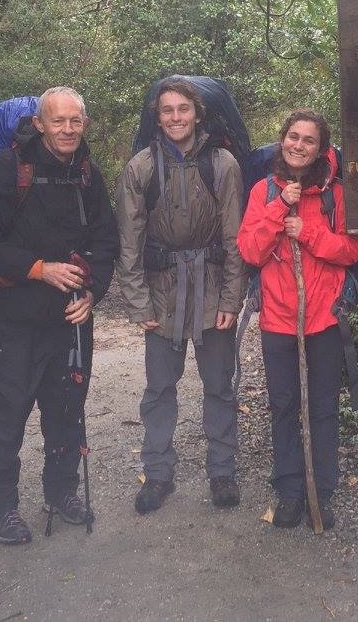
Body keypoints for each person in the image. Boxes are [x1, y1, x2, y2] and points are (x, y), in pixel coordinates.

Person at [0, 86, 118, 545]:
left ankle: (62, 492)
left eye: (76, 121)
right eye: (58, 121)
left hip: (71, 320)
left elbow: (106, 242)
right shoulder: (8, 170)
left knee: (67, 410)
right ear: (40, 124)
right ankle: (0, 507)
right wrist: (37, 269)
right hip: (17, 319)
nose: (68, 129)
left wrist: (93, 291)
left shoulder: (89, 175)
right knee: (7, 413)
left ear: (85, 124)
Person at [117, 78, 245, 513]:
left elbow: (234, 238)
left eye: (183, 109)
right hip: (162, 293)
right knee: (158, 389)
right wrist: (138, 303)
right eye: (167, 110)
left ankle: (222, 471)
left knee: (219, 387)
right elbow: (129, 242)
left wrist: (231, 299)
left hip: (211, 292)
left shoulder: (223, 164)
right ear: (158, 117)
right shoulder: (140, 167)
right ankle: (157, 473)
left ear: (197, 113)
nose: (175, 117)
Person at [237, 109, 358, 530]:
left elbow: (353, 251)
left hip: (324, 317)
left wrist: (306, 232)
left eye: (309, 140)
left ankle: (320, 491)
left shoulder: (337, 196)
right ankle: (291, 490)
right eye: (293, 137)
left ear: (321, 149)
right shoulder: (263, 191)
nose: (298, 145)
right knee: (283, 406)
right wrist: (279, 213)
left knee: (323, 408)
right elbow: (250, 252)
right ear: (282, 140)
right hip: (277, 318)